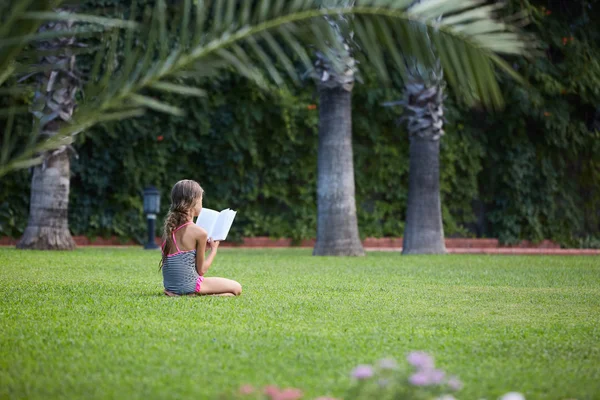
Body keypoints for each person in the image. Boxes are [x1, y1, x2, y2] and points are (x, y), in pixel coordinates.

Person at [160, 179, 242, 297]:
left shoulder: (169, 229)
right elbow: (201, 270)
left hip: (172, 287)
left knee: (230, 292)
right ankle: (192, 294)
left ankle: (181, 294)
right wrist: (214, 249)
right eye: (201, 200)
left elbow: (184, 261)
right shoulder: (199, 232)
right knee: (236, 288)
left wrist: (204, 249)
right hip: (190, 286)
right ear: (194, 201)